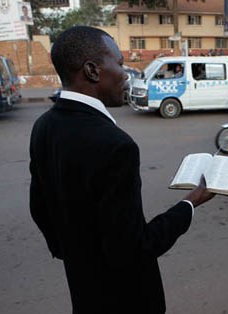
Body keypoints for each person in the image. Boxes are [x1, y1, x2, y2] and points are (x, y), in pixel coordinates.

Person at [29, 26, 214, 314]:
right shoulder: (116, 146)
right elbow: (134, 248)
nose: (126, 74)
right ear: (92, 71)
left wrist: (72, 254)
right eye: (119, 63)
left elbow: (39, 208)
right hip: (127, 301)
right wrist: (190, 203)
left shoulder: (43, 126)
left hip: (84, 291)